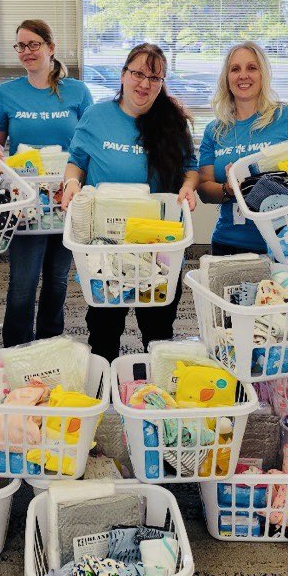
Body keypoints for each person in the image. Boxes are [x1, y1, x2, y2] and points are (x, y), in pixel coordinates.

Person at [61, 43, 198, 364]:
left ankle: (156, 396)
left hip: (159, 242)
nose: (144, 83)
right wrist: (70, 182)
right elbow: (76, 160)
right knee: (104, 328)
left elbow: (190, 167)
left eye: (154, 77)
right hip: (105, 244)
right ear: (123, 75)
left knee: (158, 327)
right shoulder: (97, 116)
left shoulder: (171, 121)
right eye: (137, 73)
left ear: (162, 84)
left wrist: (189, 188)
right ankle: (105, 394)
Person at [0, 19, 93, 346]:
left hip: (65, 201)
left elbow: (88, 142)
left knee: (58, 281)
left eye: (34, 44)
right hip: (25, 204)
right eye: (21, 45)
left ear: (51, 48)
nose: (27, 52)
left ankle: (50, 345)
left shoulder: (77, 91)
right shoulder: (6, 93)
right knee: (23, 283)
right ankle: (16, 350)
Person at [198, 41, 288, 256]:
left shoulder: (287, 117)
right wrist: (228, 189)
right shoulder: (215, 130)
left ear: (263, 74)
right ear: (227, 78)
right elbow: (204, 189)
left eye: (251, 68)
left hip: (284, 240)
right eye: (235, 69)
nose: (243, 75)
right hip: (229, 240)